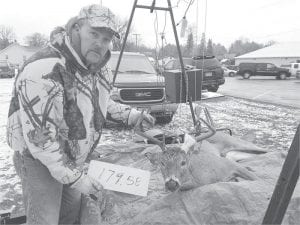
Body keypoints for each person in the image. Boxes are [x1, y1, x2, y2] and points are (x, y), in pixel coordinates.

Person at [7, 4, 155, 224]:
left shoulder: (98, 67)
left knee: (70, 216)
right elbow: (39, 139)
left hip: (72, 157)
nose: (99, 43)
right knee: (45, 220)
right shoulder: (40, 70)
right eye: (93, 34)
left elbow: (100, 102)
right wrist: (76, 178)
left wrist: (130, 115)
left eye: (106, 39)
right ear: (76, 29)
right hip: (36, 157)